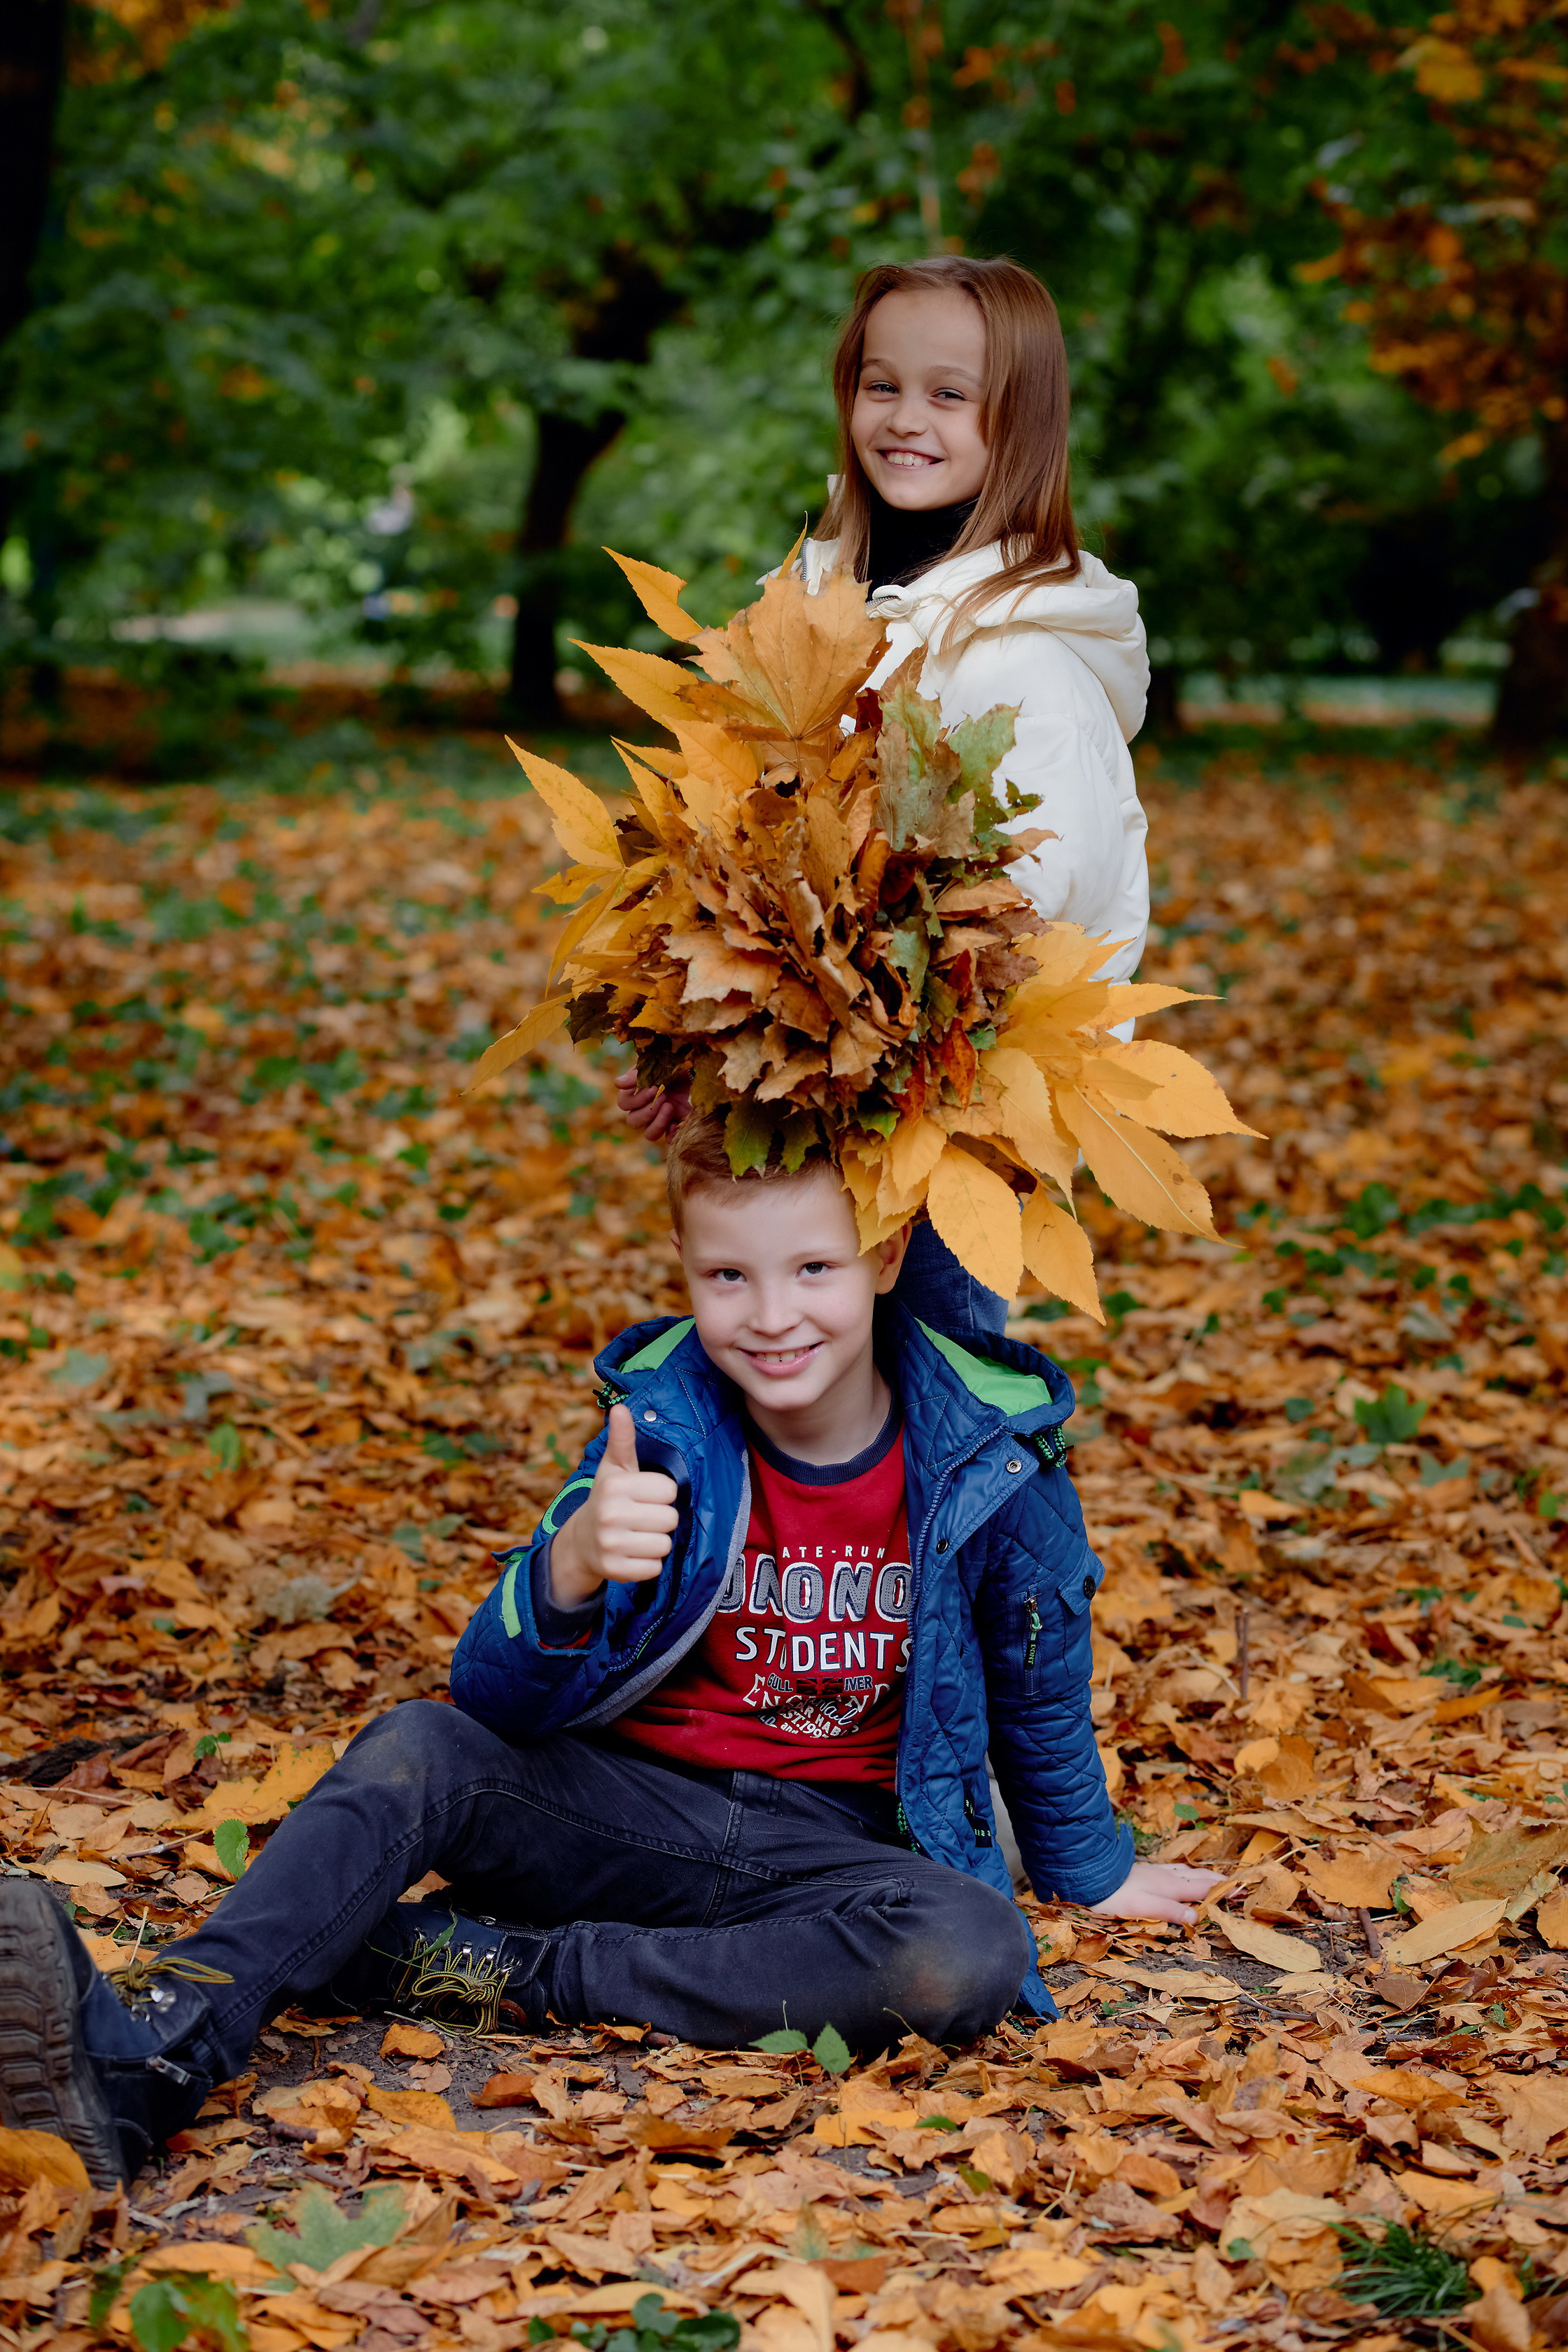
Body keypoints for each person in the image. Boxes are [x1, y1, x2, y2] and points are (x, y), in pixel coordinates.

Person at [0, 1120, 1217, 2191]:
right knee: (422, 1745)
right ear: (685, 1270)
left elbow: (1041, 1671)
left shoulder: (989, 1455)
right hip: (625, 1810)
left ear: (888, 1258)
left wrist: (1086, 1863)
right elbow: (490, 1695)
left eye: (813, 1269)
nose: (773, 1314)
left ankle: (493, 1969)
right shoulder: (666, 1430)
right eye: (727, 1276)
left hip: (829, 1847)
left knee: (967, 1952)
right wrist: (570, 1568)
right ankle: (160, 2045)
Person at [620, 253, 1152, 1343]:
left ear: (1023, 423)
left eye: (951, 394)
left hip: (938, 1140)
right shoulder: (822, 606)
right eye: (881, 384)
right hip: (799, 1125)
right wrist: (695, 1052)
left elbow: (1010, 947)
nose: (907, 418)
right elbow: (749, 851)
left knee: (950, 1429)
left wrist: (804, 1072)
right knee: (811, 1448)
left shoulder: (1027, 669)